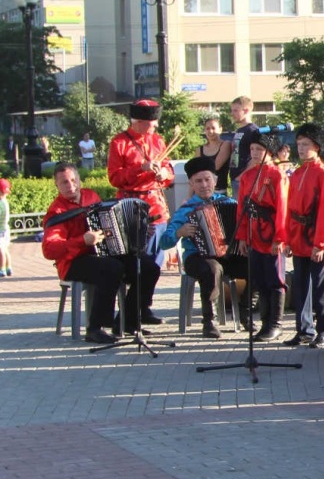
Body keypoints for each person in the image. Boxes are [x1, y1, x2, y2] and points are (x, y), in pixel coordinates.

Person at [44, 162, 160, 342]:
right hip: (73, 261)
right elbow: (49, 249)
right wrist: (82, 240)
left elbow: (109, 224)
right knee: (111, 268)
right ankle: (95, 328)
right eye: (64, 182)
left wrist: (140, 229)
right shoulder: (56, 212)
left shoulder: (91, 196)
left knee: (147, 266)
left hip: (102, 253)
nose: (71, 186)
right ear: (56, 185)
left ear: (79, 180)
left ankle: (128, 321)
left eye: (73, 180)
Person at [160, 156, 247, 339]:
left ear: (215, 180)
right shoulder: (185, 210)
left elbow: (244, 227)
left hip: (225, 256)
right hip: (196, 257)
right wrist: (179, 232)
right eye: (198, 181)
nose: (204, 184)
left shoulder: (228, 203)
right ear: (191, 183)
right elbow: (164, 241)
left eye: (207, 179)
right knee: (211, 269)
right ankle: (209, 322)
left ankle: (245, 311)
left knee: (256, 263)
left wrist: (242, 239)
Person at [107, 98, 174, 326]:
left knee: (155, 263)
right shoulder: (119, 143)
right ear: (139, 122)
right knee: (138, 264)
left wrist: (164, 176)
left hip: (156, 206)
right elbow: (114, 178)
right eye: (152, 122)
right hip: (131, 209)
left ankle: (144, 307)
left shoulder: (158, 141)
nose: (155, 126)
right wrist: (141, 168)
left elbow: (169, 170)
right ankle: (128, 312)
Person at [283, 123, 324, 347]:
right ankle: (304, 329)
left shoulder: (322, 173)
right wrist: (287, 239)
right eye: (299, 144)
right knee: (301, 284)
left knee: (320, 286)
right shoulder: (297, 172)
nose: (301, 149)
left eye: (305, 145)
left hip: (315, 235)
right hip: (299, 235)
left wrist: (321, 243)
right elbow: (289, 208)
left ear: (317, 146)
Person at [235, 130, 290, 341]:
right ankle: (264, 323)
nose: (255, 153)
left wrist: (280, 238)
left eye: (259, 149)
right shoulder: (248, 176)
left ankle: (275, 324)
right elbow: (242, 209)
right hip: (254, 233)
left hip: (271, 233)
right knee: (259, 279)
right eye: (252, 149)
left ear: (269, 152)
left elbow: (282, 208)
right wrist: (242, 236)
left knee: (274, 280)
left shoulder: (277, 175)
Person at [227, 95, 256, 192]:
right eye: (232, 110)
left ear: (246, 110)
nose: (232, 113)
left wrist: (242, 176)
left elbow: (257, 158)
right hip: (235, 178)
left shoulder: (252, 131)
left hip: (245, 179)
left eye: (235, 110)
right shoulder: (240, 130)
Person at [198, 116, 234, 193]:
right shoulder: (199, 149)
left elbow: (215, 166)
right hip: (201, 193)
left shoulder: (226, 144)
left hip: (219, 192)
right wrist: (189, 197)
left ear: (220, 129)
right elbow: (194, 174)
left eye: (213, 128)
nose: (210, 131)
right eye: (207, 128)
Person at [0, 178, 12, 277]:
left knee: (1, 250)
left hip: (1, 230)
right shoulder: (5, 201)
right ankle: (9, 268)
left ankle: (2, 269)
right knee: (5, 250)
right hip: (5, 229)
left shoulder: (0, 203)